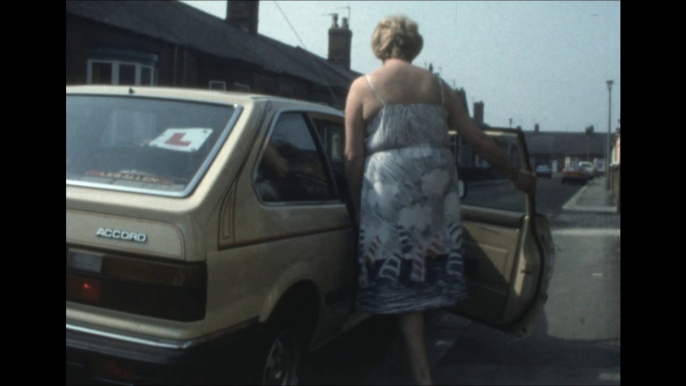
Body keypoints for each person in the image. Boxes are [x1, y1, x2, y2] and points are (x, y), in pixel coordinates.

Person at [344, 15, 536, 385]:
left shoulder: (362, 88)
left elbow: (353, 156)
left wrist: (354, 202)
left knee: (398, 276)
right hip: (435, 190)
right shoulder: (441, 88)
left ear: (379, 45)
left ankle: (420, 372)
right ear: (414, 46)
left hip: (389, 193)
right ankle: (411, 353)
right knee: (423, 270)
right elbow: (478, 140)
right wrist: (516, 175)